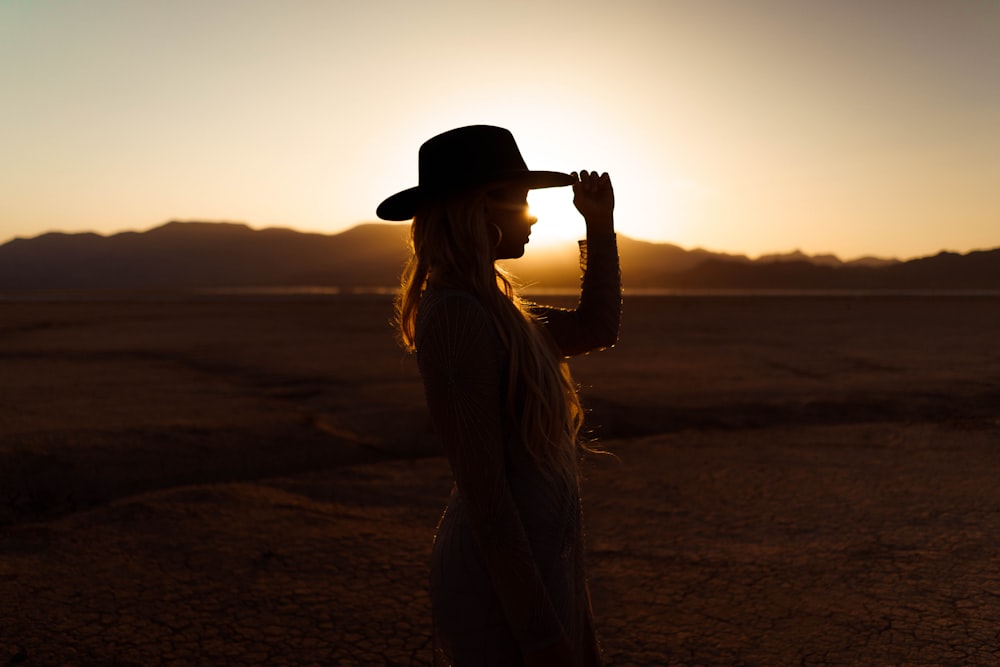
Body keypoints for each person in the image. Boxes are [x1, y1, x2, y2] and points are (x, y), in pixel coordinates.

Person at [377, 125, 620, 667]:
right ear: (481, 209)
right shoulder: (457, 317)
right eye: (523, 202)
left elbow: (598, 327)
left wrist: (599, 227)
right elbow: (486, 498)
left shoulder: (497, 311)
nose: (533, 217)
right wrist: (539, 637)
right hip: (502, 584)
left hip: (537, 562)